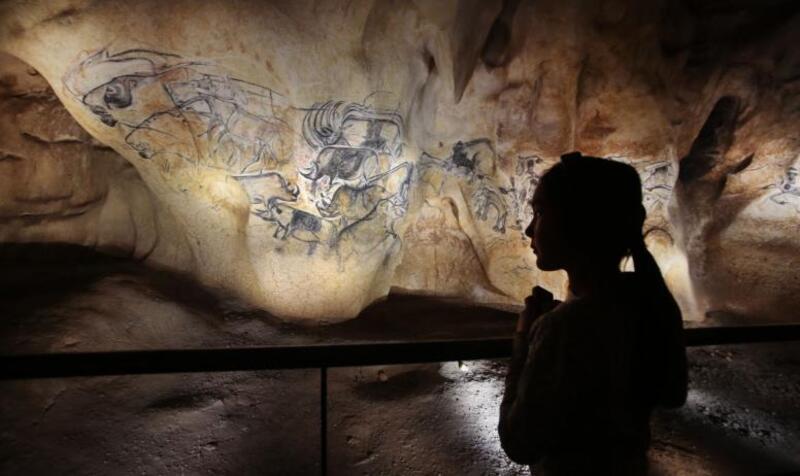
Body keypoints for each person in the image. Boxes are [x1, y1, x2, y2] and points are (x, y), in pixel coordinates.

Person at [498, 152, 688, 475]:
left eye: (540, 212)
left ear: (580, 222)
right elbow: (672, 394)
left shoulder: (562, 328)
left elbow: (518, 441)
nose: (530, 229)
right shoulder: (648, 300)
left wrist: (523, 342)